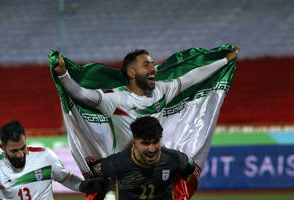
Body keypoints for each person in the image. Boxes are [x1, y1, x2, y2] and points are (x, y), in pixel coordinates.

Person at [53, 46, 239, 199]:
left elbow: (192, 77)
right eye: (146, 65)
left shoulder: (163, 90)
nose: (152, 69)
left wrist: (224, 61)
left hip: (156, 164)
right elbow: (80, 94)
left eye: (152, 64)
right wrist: (63, 74)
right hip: (125, 169)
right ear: (132, 73)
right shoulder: (114, 98)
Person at [85, 116, 196, 200]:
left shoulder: (174, 159)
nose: (152, 149)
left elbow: (189, 166)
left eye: (155, 142)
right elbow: (94, 172)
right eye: (146, 143)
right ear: (134, 143)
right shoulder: (117, 163)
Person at [0, 120, 107, 200]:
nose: (20, 155)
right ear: (2, 147)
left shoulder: (45, 156)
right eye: (14, 151)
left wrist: (82, 185)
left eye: (23, 148)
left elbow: (65, 178)